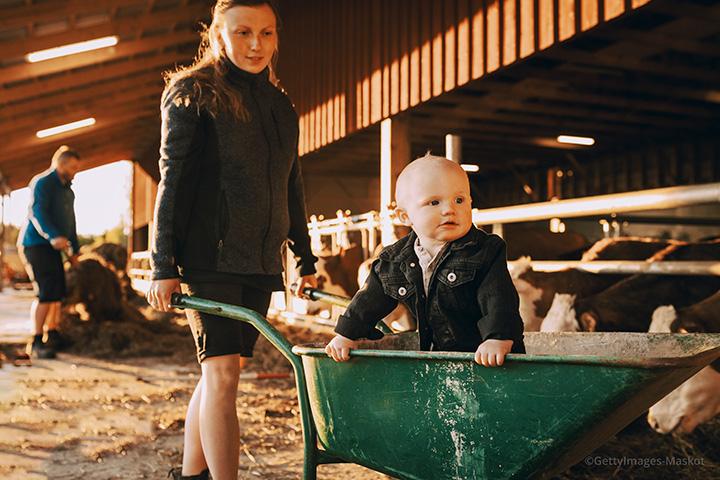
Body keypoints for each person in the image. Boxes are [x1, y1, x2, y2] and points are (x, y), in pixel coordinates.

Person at [145, 2, 317, 479]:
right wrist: (163, 264)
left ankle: (190, 475)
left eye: (267, 33)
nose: (257, 45)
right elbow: (171, 181)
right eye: (243, 33)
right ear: (218, 34)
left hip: (259, 261)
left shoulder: (279, 104)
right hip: (208, 258)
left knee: (221, 372)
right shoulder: (193, 92)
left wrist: (304, 256)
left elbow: (291, 183)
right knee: (223, 376)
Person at [325, 154, 525, 366]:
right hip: (436, 359)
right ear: (405, 216)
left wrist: (498, 337)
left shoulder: (484, 250)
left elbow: (498, 297)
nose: (450, 209)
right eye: (434, 202)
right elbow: (369, 298)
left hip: (487, 358)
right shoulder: (396, 259)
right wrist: (347, 334)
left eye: (459, 200)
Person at [18, 145, 81, 359]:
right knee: (45, 292)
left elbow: (71, 223)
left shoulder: (68, 191)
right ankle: (35, 341)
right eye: (72, 167)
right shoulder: (42, 183)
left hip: (56, 246)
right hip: (36, 244)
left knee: (57, 292)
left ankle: (51, 333)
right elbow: (37, 212)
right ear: (60, 164)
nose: (75, 172)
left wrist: (75, 250)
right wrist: (52, 235)